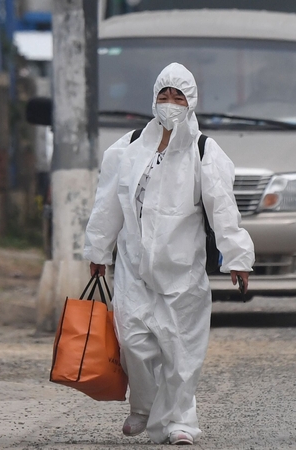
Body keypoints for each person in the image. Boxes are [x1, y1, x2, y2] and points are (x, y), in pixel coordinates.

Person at [83, 63, 255, 445]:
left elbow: (223, 209)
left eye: (179, 97)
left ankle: (182, 422)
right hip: (133, 266)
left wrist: (237, 256)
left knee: (180, 349)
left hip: (182, 270)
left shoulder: (203, 151)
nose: (171, 104)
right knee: (134, 343)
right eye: (165, 95)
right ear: (154, 99)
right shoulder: (126, 149)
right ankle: (143, 407)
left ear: (191, 102)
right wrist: (99, 248)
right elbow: (108, 204)